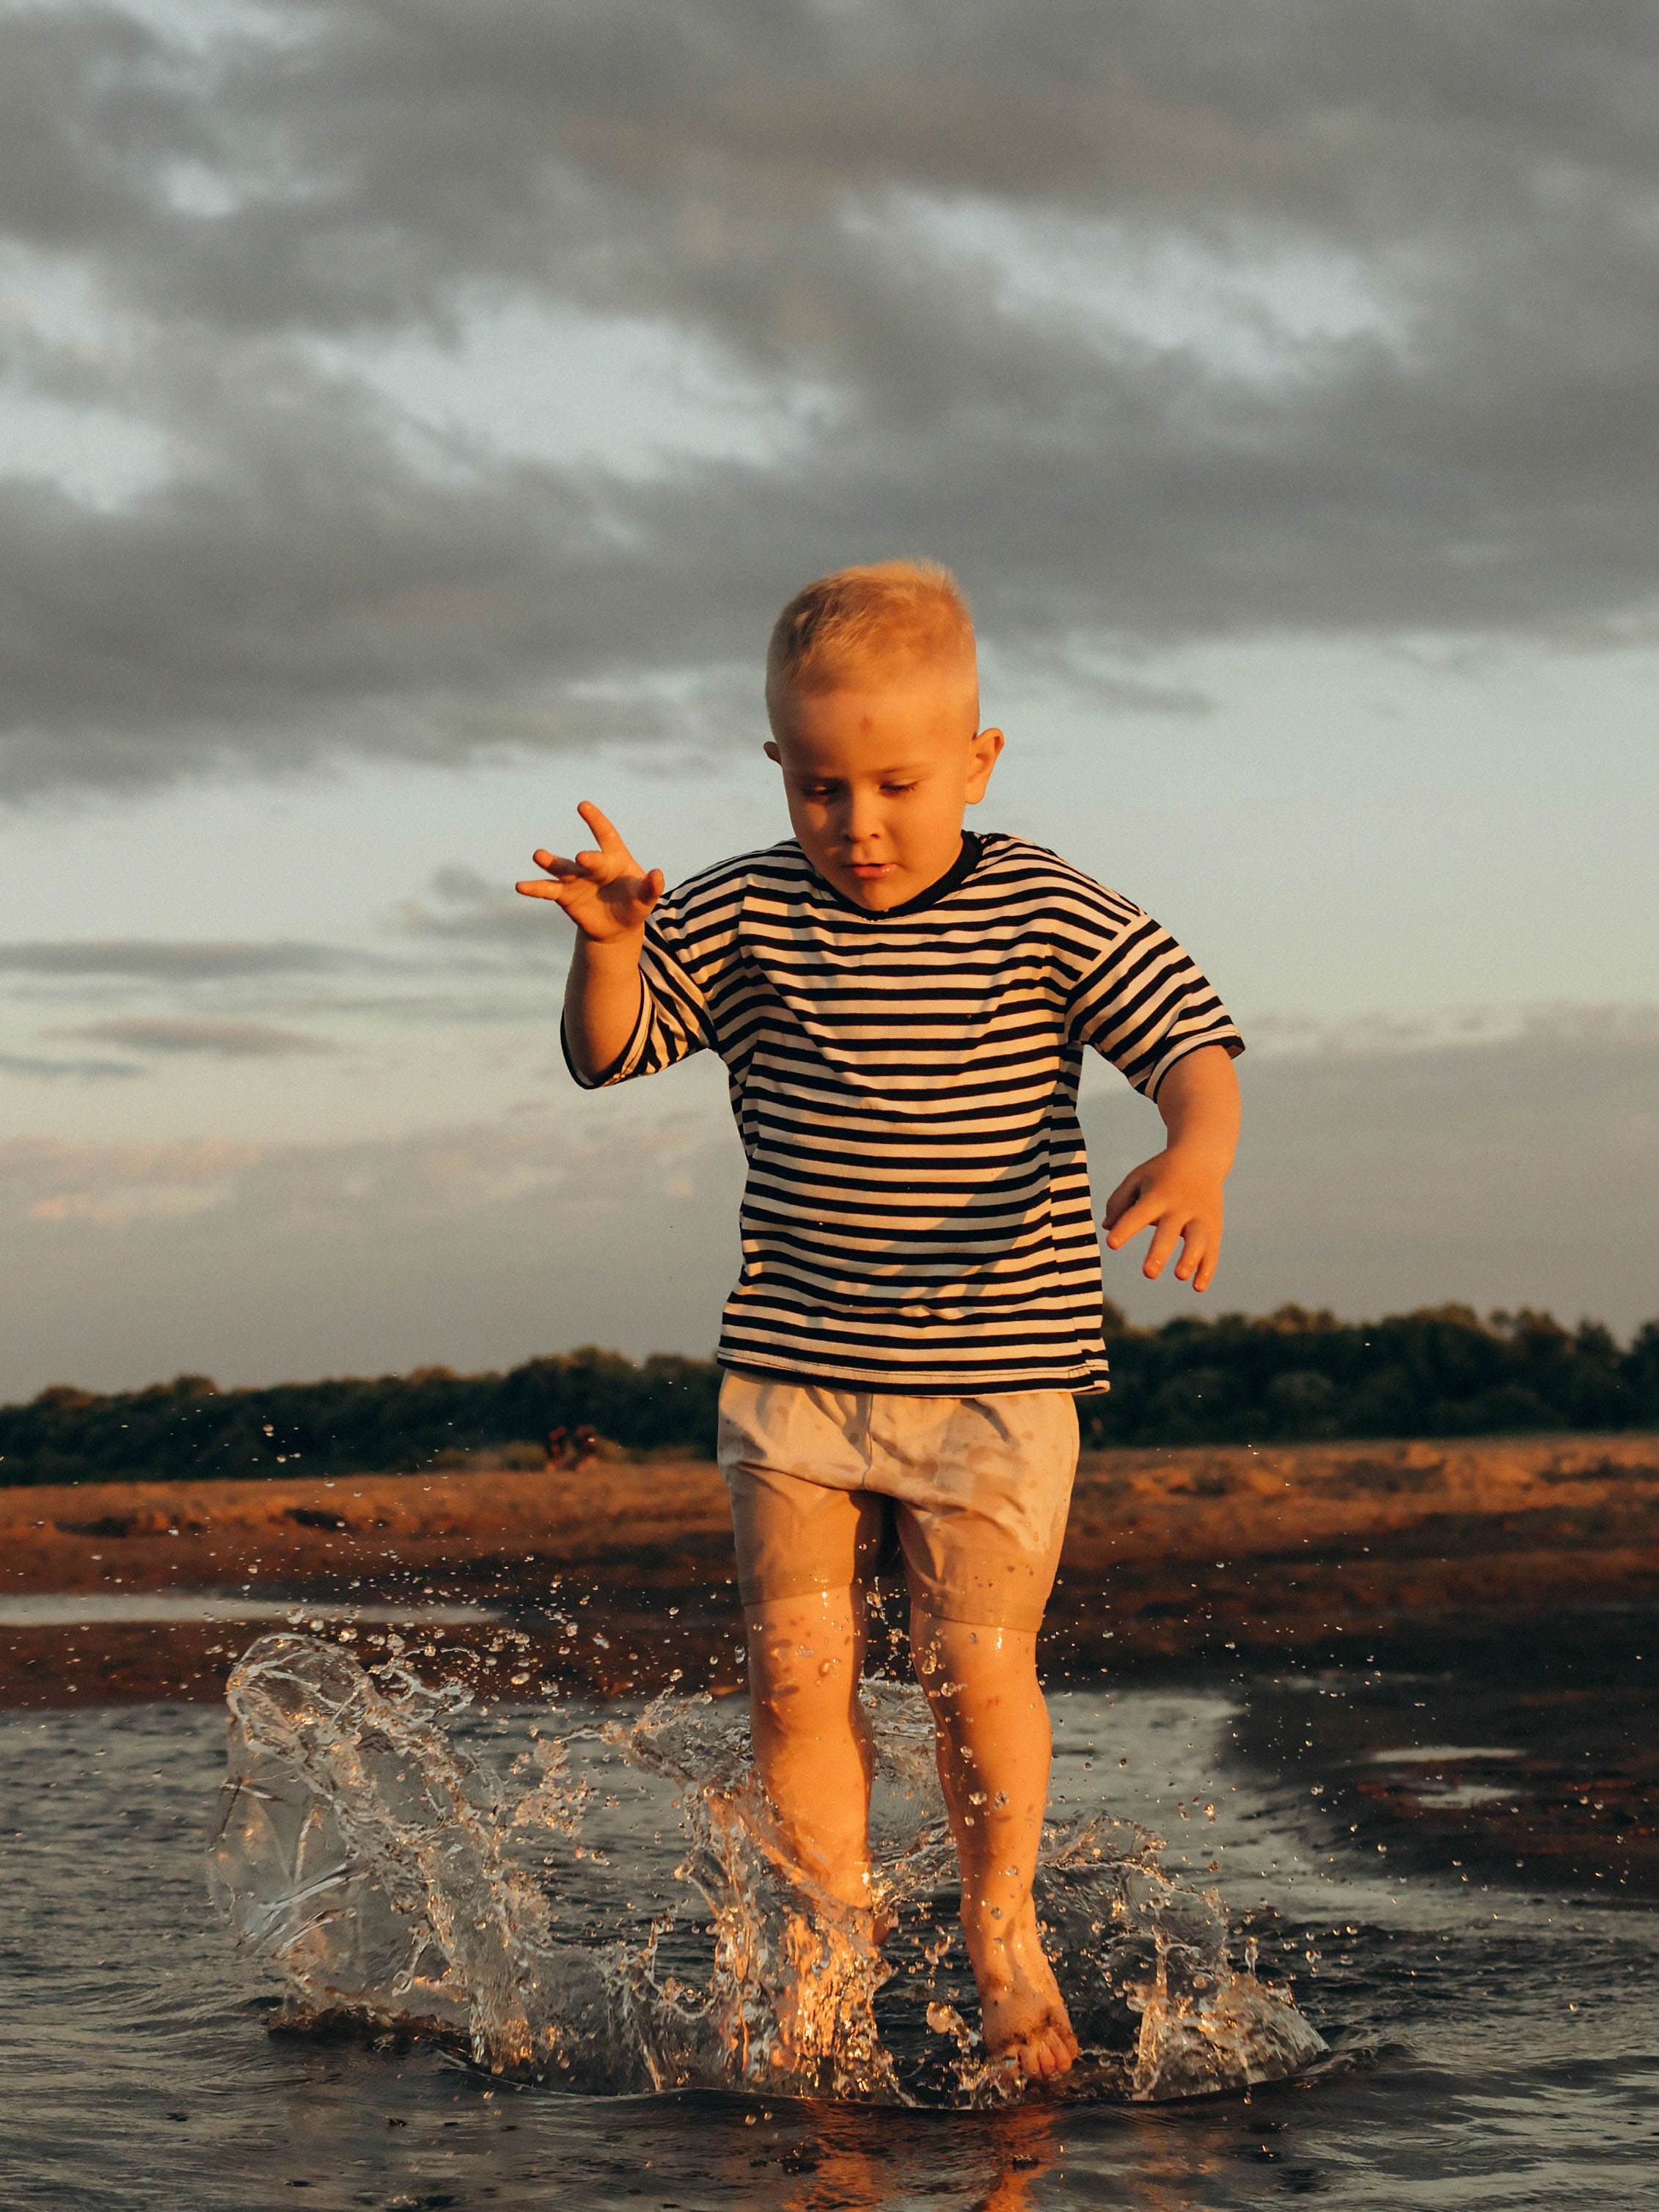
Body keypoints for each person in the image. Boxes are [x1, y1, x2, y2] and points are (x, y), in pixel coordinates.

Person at [516, 562, 1242, 2079]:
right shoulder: (734, 905)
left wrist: (1198, 1145)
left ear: (977, 760)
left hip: (997, 1373)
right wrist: (604, 944)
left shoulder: (1043, 901)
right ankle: (824, 1946)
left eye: (897, 783)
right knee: (795, 1669)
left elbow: (1187, 1033)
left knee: (974, 1664)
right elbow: (611, 1053)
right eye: (823, 786)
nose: (857, 822)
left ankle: (998, 1921)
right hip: (795, 1367)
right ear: (778, 763)